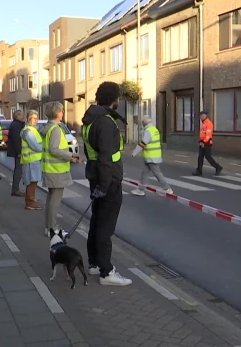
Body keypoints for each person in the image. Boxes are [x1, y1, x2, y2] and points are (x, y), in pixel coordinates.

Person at [82, 81, 132, 286]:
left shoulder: (90, 120)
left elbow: (91, 153)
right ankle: (107, 272)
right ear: (114, 100)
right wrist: (105, 185)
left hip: (96, 177)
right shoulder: (105, 122)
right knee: (105, 226)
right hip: (108, 181)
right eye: (118, 97)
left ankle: (94, 263)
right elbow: (105, 157)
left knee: (96, 221)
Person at [43, 102, 80, 232]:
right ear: (57, 113)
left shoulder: (48, 128)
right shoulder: (56, 130)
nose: (63, 113)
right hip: (57, 170)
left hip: (50, 169)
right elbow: (54, 150)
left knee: (51, 199)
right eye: (62, 111)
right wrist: (71, 155)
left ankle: (49, 227)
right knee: (55, 201)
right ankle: (52, 228)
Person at [131, 115, 173, 196]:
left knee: (157, 173)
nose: (142, 123)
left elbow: (143, 143)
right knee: (145, 173)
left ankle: (167, 188)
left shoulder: (148, 131)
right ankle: (141, 189)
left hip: (151, 156)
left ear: (144, 122)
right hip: (153, 156)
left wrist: (134, 152)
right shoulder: (154, 129)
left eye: (142, 122)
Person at [20, 110, 44, 210]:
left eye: (36, 118)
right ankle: (30, 202)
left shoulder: (32, 130)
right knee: (32, 182)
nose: (35, 120)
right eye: (33, 118)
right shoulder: (28, 131)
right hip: (31, 160)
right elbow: (35, 146)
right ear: (28, 119)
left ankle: (31, 201)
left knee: (33, 181)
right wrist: (45, 147)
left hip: (33, 159)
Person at [193, 111, 222, 176]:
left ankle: (218, 167)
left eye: (202, 116)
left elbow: (208, 135)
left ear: (205, 116)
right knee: (200, 157)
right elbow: (202, 134)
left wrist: (203, 142)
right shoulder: (204, 123)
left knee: (208, 157)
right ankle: (199, 171)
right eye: (200, 116)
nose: (201, 117)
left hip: (207, 143)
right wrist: (200, 141)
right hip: (202, 142)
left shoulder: (208, 123)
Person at [7, 110, 26, 197]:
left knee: (19, 170)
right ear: (17, 116)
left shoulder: (17, 124)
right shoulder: (16, 125)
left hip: (18, 151)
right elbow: (17, 140)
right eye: (22, 115)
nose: (24, 116)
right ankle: (15, 190)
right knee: (18, 170)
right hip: (18, 151)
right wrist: (19, 152)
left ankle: (16, 189)